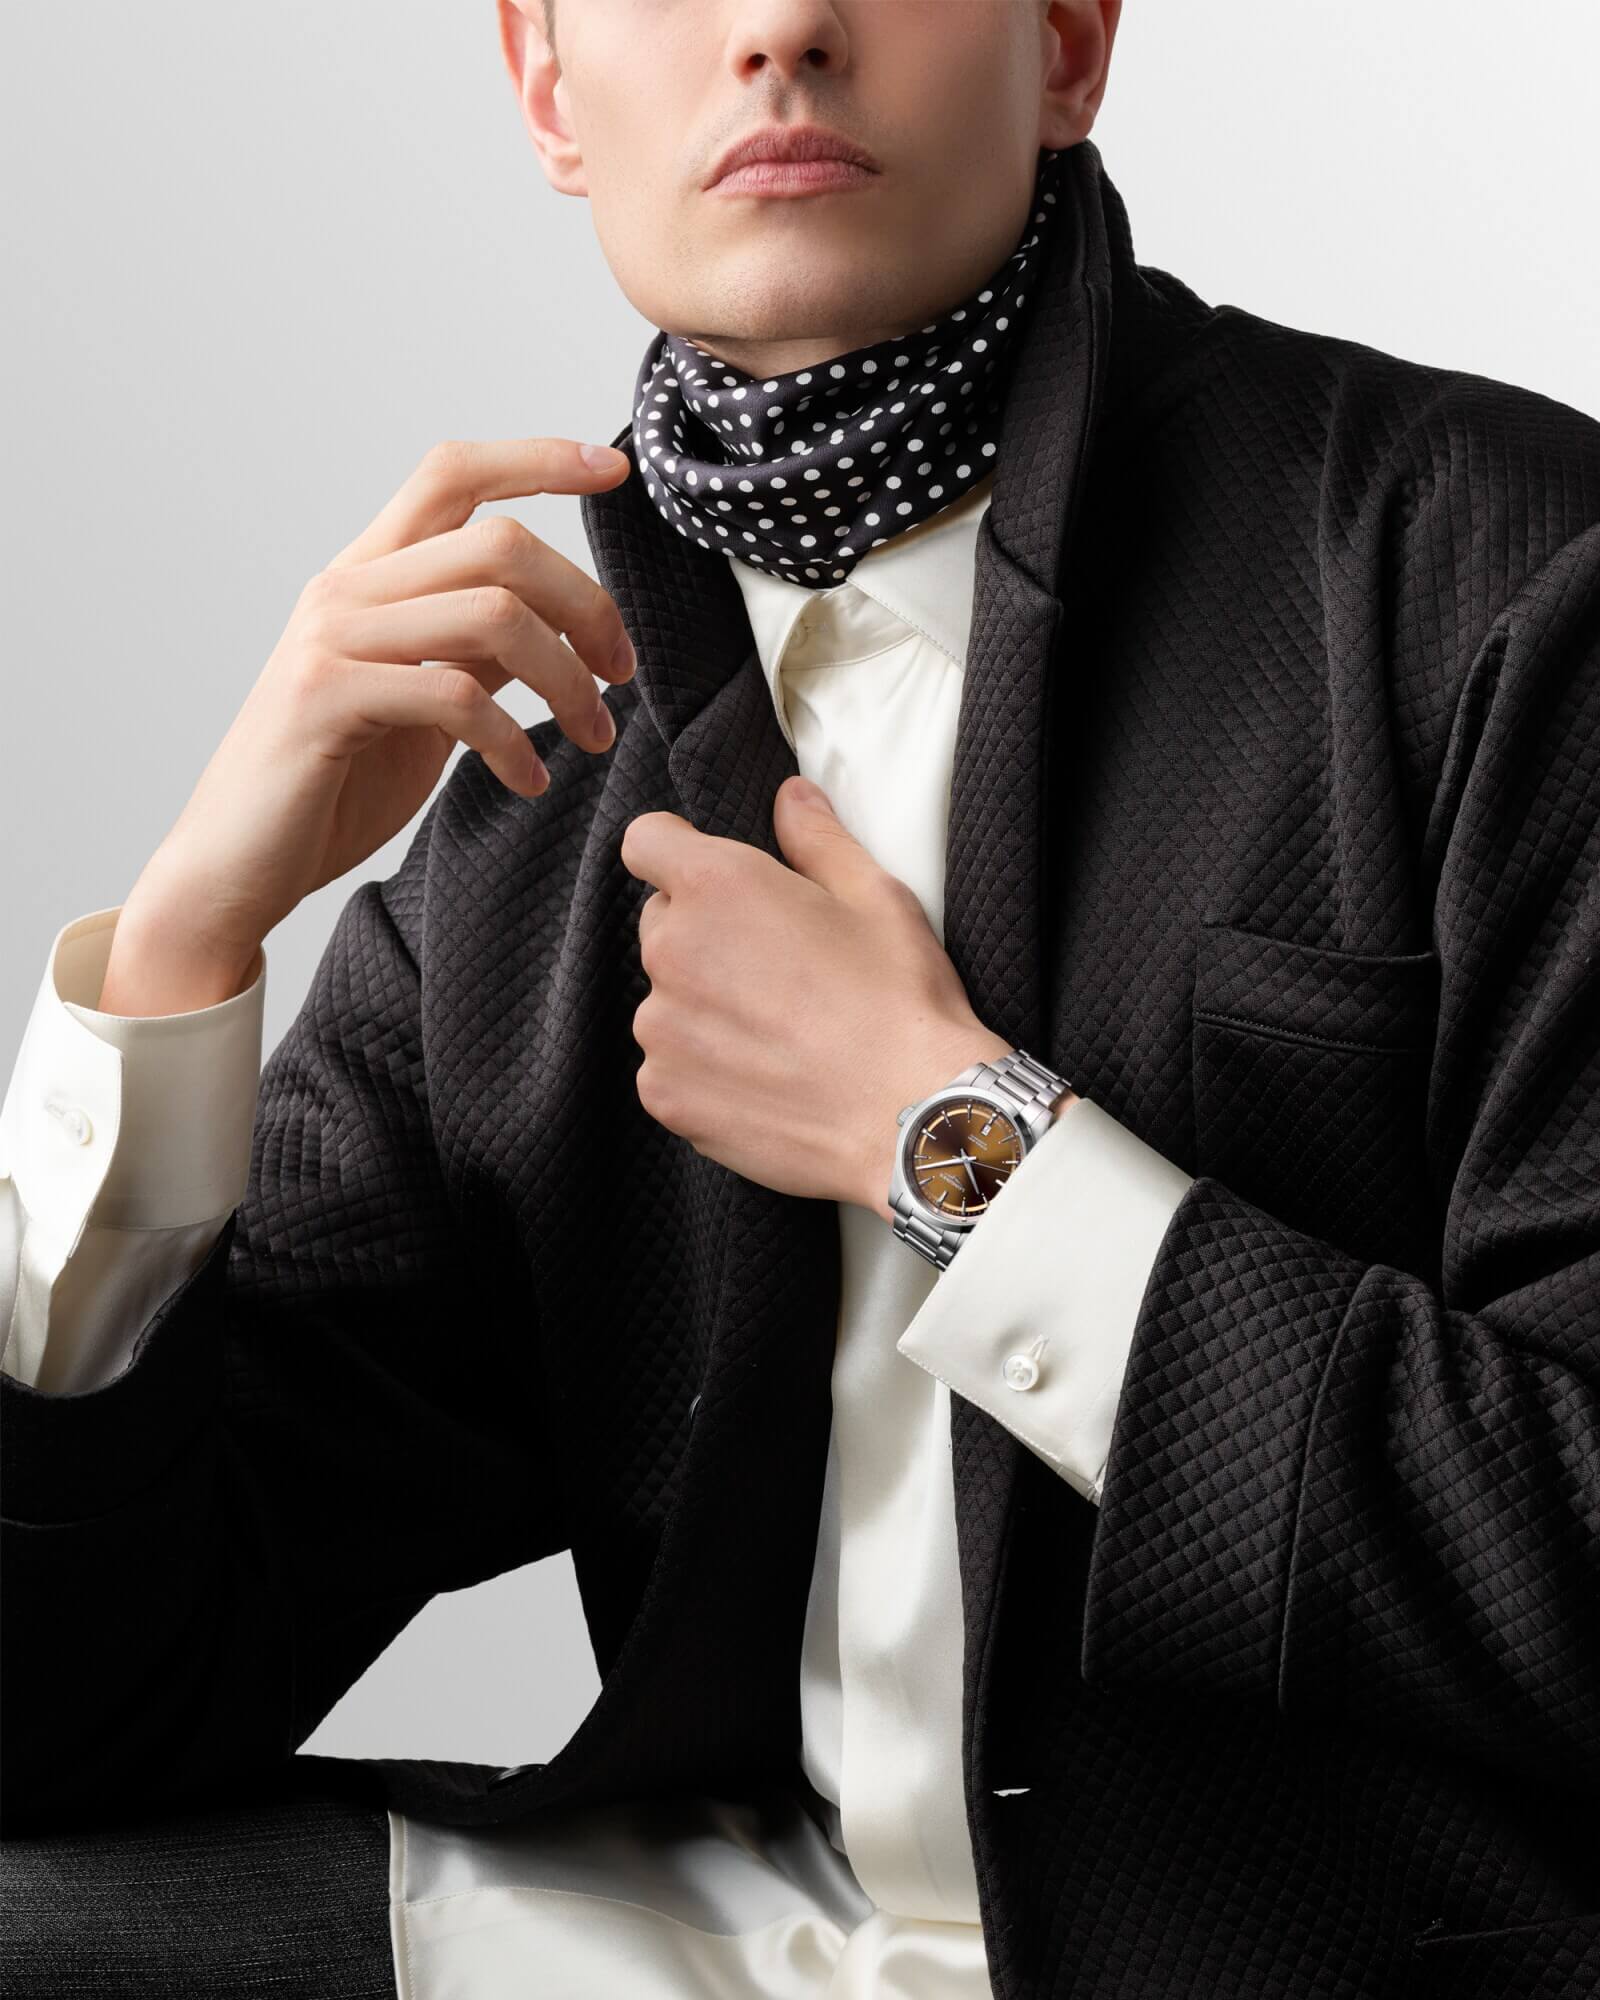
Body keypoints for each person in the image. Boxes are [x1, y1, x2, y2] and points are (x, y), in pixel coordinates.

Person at [4, 2, 1599, 1996]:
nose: (778, 26)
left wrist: (963, 1151)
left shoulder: (1505, 575)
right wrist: (177, 952)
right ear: (545, 87)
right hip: (720, 1929)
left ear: (1068, 43)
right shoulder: (533, 790)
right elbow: (71, 1706)